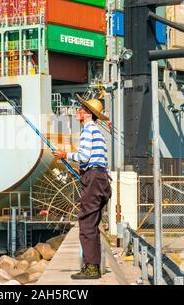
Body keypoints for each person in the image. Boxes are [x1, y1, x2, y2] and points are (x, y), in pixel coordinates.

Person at [53, 95, 112, 279]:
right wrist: (84, 171)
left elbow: (84, 156)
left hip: (94, 180)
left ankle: (91, 268)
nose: (78, 111)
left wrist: (65, 155)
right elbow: (97, 160)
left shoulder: (88, 130)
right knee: (92, 224)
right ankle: (91, 264)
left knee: (86, 223)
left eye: (80, 109)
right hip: (102, 180)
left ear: (87, 114)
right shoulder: (99, 134)